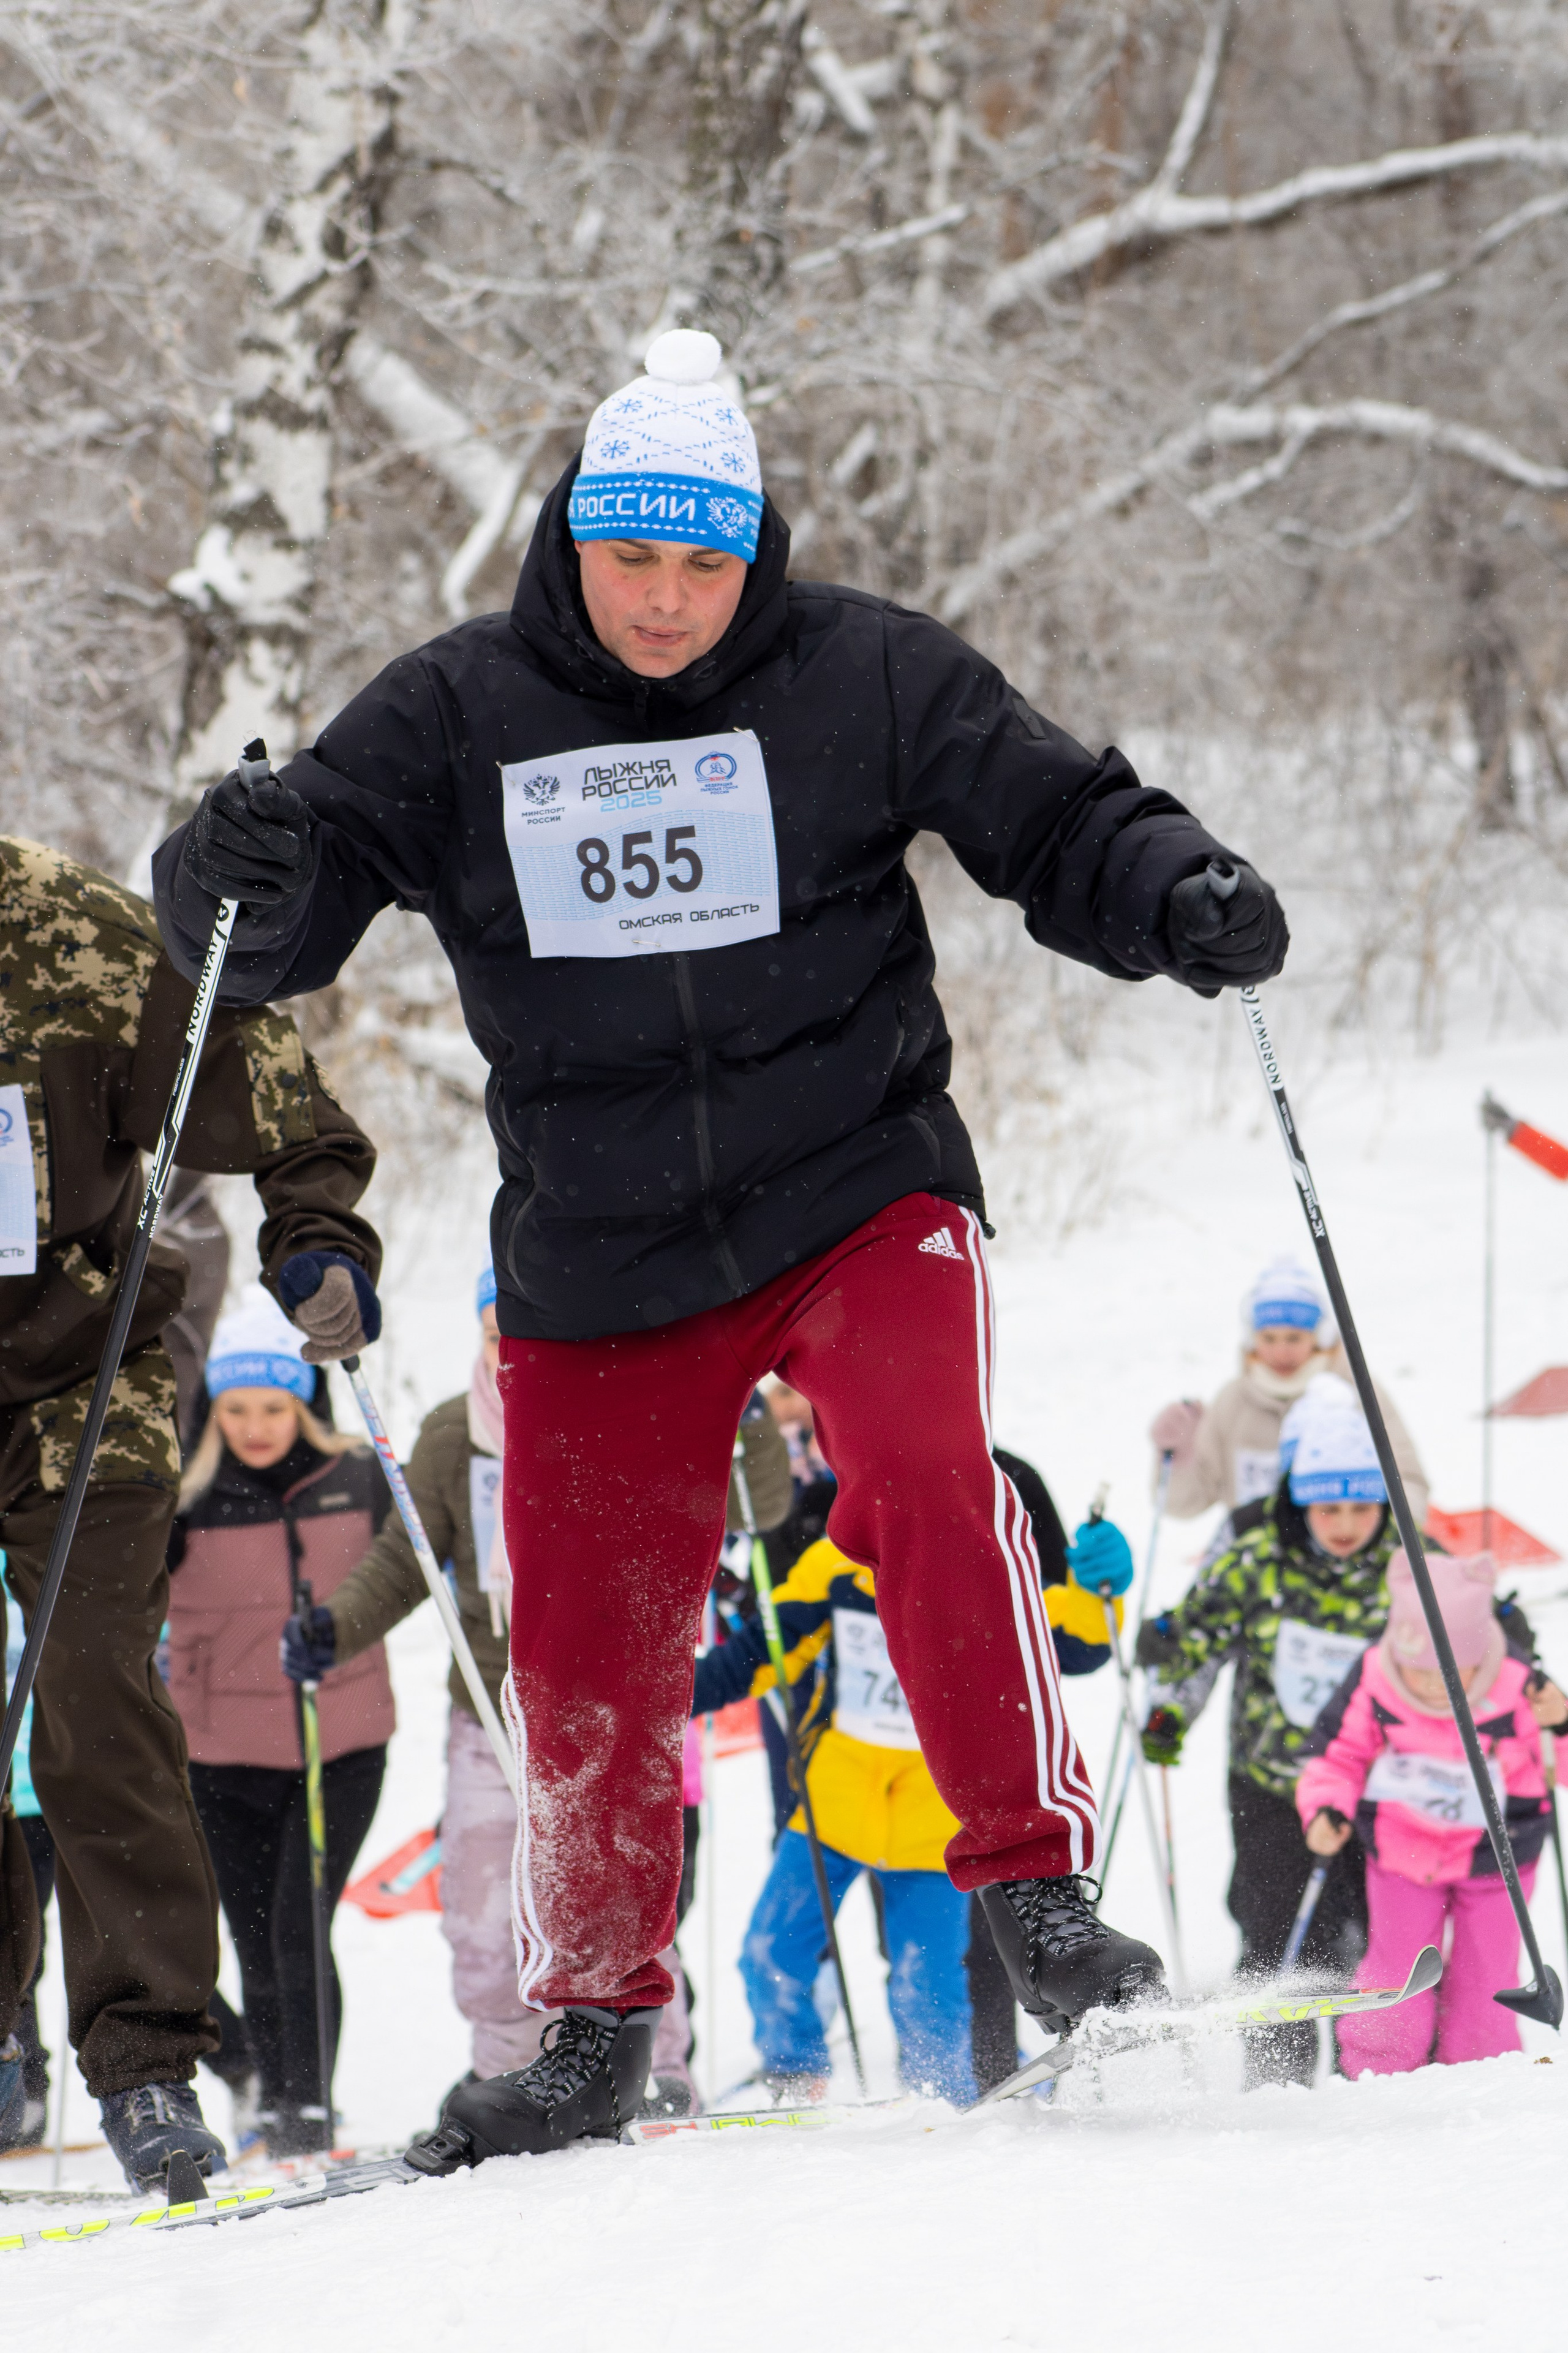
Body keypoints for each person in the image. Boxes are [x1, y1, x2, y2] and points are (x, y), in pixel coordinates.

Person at [153, 324, 1287, 2166]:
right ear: (571, 537)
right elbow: (278, 920)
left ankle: (1036, 1893)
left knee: (923, 1469)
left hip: (856, 1186)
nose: (667, 598)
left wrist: (1171, 885)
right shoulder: (456, 709)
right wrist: (230, 872)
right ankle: (595, 2021)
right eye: (632, 556)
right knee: (584, 1622)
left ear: (754, 549)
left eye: (705, 559)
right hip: (600, 1241)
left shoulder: (864, 671)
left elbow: (1055, 814)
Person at [0, 834, 383, 2190]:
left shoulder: (68, 935)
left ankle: (146, 2058)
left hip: (77, 1382)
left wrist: (315, 1235)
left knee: (92, 1686)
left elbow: (279, 1091)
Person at [285, 1263, 790, 2118]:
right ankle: (510, 2073)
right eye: (496, 1337)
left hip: (604, 1707)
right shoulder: (455, 1433)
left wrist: (747, 1418)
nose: (513, 1354)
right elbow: (410, 1558)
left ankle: (656, 2072)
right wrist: (337, 1626)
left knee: (618, 1903)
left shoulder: (625, 1407)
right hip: (491, 1710)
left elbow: (753, 1506)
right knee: (483, 1918)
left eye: (528, 1335)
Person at [694, 1505, 1132, 2106]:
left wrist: (1093, 1588)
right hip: (834, 1805)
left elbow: (1075, 1645)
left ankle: (941, 2095)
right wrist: (660, 1692)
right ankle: (795, 2078)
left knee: (925, 1984)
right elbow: (758, 1655)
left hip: (932, 1819)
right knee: (771, 1951)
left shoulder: (980, 1571)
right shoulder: (836, 1564)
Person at [166, 1290, 392, 2155]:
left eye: (273, 1406)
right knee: (255, 1939)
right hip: (223, 1756)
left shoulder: (362, 1479)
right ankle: (271, 2094)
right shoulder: (183, 1501)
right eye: (237, 1408)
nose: (255, 1426)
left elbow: (421, 1568)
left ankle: (308, 2105)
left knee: (300, 1924)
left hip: (339, 1746)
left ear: (303, 1402)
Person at [1136, 1375, 1398, 2084]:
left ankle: (1372, 2073)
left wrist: (1502, 1637)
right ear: (1297, 1499)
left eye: (1361, 1505)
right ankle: (1276, 2077)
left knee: (1371, 1935)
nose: (1344, 1523)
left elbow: (1463, 1642)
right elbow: (1200, 1635)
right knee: (1274, 1927)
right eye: (1326, 1506)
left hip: (1376, 1791)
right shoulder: (1255, 1558)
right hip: (1271, 1783)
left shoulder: (1406, 1571)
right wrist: (1166, 1687)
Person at [1296, 1549, 1568, 2075]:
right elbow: (1338, 1756)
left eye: (1448, 1673)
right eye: (1416, 1670)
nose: (1427, 1685)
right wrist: (1326, 1807)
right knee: (1396, 1969)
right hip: (1404, 1851)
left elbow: (1559, 1768)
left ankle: (1479, 2072)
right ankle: (1378, 2071)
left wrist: (1559, 1724)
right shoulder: (1377, 1676)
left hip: (1499, 1860)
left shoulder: (1519, 1686)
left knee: (1486, 1975)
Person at [1150, 1256, 1428, 1527]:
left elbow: (1410, 1485)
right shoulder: (1232, 1402)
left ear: (1319, 1337)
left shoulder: (1359, 1394)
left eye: (1294, 1338)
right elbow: (1183, 1505)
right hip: (1254, 1555)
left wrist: (1374, 1528)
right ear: (1252, 1339)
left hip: (1344, 1552)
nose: (1281, 1352)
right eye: (1268, 1338)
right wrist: (1179, 1457)